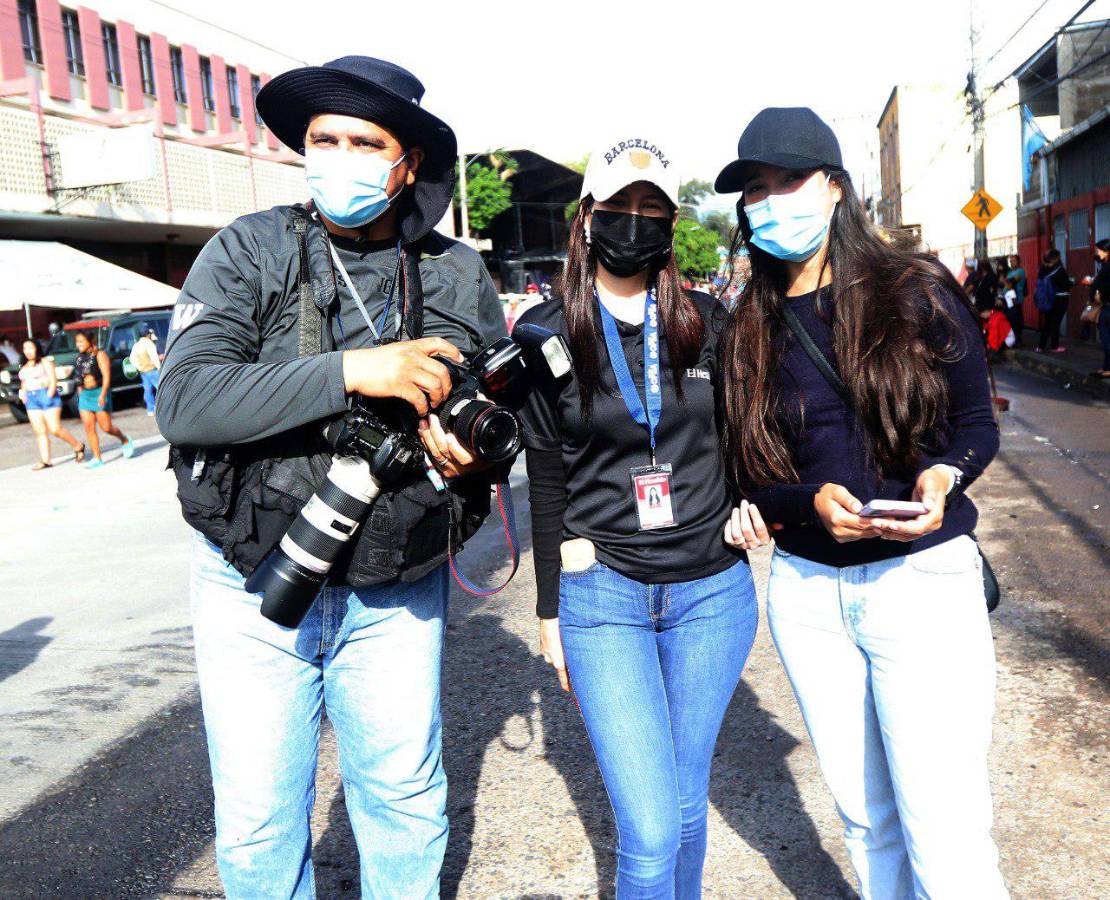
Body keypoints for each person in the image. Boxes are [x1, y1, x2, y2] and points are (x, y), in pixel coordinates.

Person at [156, 56, 508, 900]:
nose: (341, 156)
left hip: (395, 583)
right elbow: (187, 399)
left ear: (408, 161)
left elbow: (491, 416)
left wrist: (474, 455)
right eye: (325, 140)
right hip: (251, 575)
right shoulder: (249, 249)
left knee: (404, 801)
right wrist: (356, 371)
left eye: (365, 141)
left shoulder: (456, 271)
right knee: (260, 820)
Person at [714, 107, 1008, 899]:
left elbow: (977, 425)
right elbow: (747, 474)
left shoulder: (913, 290)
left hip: (923, 584)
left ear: (836, 188)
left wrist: (945, 477)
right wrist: (807, 502)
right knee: (867, 821)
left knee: (944, 829)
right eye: (756, 190)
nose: (771, 203)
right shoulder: (747, 325)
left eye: (789, 182)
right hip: (808, 595)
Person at [516, 137, 758, 898]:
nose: (635, 223)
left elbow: (747, 440)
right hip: (605, 594)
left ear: (672, 226)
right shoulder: (546, 334)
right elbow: (546, 477)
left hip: (713, 595)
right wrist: (551, 608)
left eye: (652, 210)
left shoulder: (709, 323)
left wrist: (757, 508)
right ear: (587, 221)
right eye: (618, 208)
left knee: (687, 811)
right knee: (651, 827)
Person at [17, 338, 84, 469]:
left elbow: (53, 380)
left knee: (55, 429)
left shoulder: (45, 362)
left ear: (37, 348)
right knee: (39, 431)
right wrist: (23, 395)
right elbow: (24, 382)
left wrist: (49, 394)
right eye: (25, 349)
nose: (28, 351)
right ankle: (45, 460)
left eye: (30, 348)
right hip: (31, 399)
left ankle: (78, 445)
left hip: (46, 395)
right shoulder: (24, 366)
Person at [73, 330, 134, 468]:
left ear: (90, 341)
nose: (79, 344)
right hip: (85, 395)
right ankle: (97, 457)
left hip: (99, 392)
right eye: (77, 342)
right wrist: (80, 394)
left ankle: (124, 439)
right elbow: (78, 378)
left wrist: (103, 394)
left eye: (81, 341)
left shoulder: (99, 354)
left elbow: (106, 376)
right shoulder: (79, 357)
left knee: (106, 427)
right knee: (88, 426)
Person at [1036, 248, 1073, 352]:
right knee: (1055, 322)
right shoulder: (1058, 269)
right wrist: (1073, 282)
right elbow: (1065, 284)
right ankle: (1054, 346)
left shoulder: (1043, 269)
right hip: (1060, 298)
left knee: (1048, 322)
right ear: (1055, 258)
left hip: (1048, 299)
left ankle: (1040, 346)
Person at [1086, 238, 1110, 377]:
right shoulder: (1104, 265)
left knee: (1106, 338)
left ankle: (1108, 368)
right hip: (1104, 306)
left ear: (1107, 252)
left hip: (1107, 306)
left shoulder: (1108, 267)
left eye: (1098, 250)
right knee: (1105, 337)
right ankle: (1106, 367)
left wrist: (1101, 295)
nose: (1096, 252)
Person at [129, 323, 161, 415]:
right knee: (160, 388)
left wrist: (139, 367)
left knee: (147, 390)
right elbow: (154, 357)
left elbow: (132, 359)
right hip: (152, 370)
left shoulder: (137, 345)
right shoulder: (149, 343)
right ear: (148, 334)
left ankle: (150, 410)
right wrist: (159, 367)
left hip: (143, 371)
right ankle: (165, 407)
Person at [1007, 254, 1027, 343]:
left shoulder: (1020, 271)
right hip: (1008, 299)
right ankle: (1013, 338)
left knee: (1016, 319)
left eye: (1013, 261)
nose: (1011, 263)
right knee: (1011, 319)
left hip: (1016, 298)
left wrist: (1005, 281)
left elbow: (1011, 282)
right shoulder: (1010, 272)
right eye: (1010, 261)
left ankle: (1018, 339)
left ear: (1018, 262)